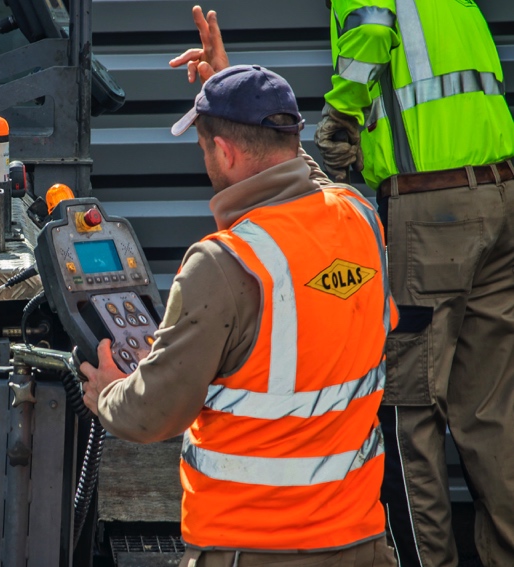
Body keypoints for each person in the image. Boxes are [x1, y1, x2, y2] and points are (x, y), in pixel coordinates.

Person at [170, 3, 514, 566]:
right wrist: (228, 89)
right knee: (493, 412)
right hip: (500, 192)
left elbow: (371, 33)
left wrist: (339, 116)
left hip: (432, 204)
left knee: (406, 412)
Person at [80, 63, 398, 566]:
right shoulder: (359, 218)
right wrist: (233, 86)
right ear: (293, 137)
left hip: (253, 548)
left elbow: (153, 415)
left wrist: (107, 394)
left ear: (223, 152)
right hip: (361, 544)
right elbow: (295, 172)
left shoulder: (223, 264)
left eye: (206, 146)